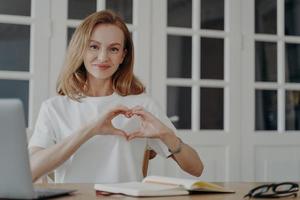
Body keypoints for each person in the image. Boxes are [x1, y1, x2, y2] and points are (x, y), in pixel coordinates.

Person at [29, 10, 204, 183]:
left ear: (123, 55)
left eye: (113, 49)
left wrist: (167, 136)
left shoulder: (142, 104)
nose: (103, 57)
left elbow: (196, 169)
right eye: (94, 46)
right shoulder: (54, 107)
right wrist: (91, 129)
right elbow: (31, 170)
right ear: (81, 49)